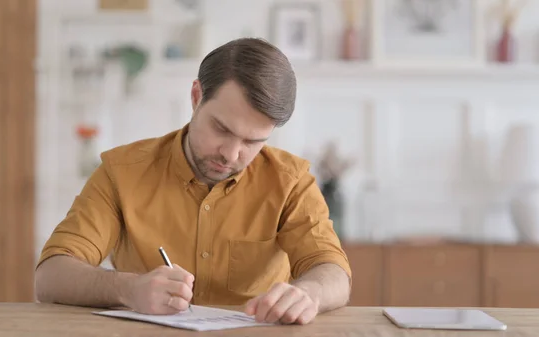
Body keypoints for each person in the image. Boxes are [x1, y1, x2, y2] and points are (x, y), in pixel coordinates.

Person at [35, 37, 352, 325]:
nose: (230, 154)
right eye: (222, 129)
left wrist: (309, 292)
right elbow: (50, 277)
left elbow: (333, 272)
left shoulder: (290, 182)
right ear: (196, 96)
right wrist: (128, 289)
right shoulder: (122, 171)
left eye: (252, 141)